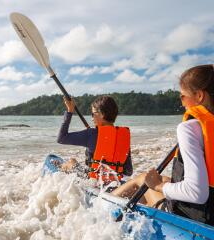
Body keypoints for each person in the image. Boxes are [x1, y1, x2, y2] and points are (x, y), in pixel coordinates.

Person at [112, 64, 214, 226]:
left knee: (143, 179)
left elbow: (197, 193)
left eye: (182, 96)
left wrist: (159, 185)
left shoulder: (190, 128)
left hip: (197, 218)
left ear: (199, 95)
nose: (182, 103)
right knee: (163, 178)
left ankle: (105, 206)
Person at [56, 95, 133, 184]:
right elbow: (128, 171)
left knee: (71, 162)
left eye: (93, 114)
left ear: (102, 114)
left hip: (93, 181)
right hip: (115, 182)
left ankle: (59, 167)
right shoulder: (123, 136)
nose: (92, 118)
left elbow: (61, 138)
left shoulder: (91, 134)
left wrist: (69, 111)